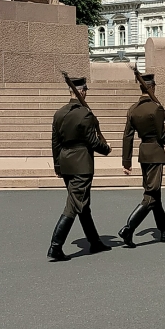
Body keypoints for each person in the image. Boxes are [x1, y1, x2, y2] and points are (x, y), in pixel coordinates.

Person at [48, 75, 112, 261]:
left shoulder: (59, 113)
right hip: (81, 165)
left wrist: (58, 165)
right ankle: (55, 246)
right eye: (86, 90)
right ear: (82, 91)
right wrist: (106, 149)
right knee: (74, 204)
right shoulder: (85, 114)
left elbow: (55, 143)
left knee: (83, 205)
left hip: (66, 163)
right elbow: (92, 141)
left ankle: (94, 242)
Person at [119, 73, 165, 246]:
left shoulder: (133, 109)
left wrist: (127, 162)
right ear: (152, 87)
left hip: (144, 154)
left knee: (155, 194)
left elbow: (127, 137)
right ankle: (128, 228)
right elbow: (162, 136)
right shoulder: (156, 109)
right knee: (151, 195)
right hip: (155, 153)